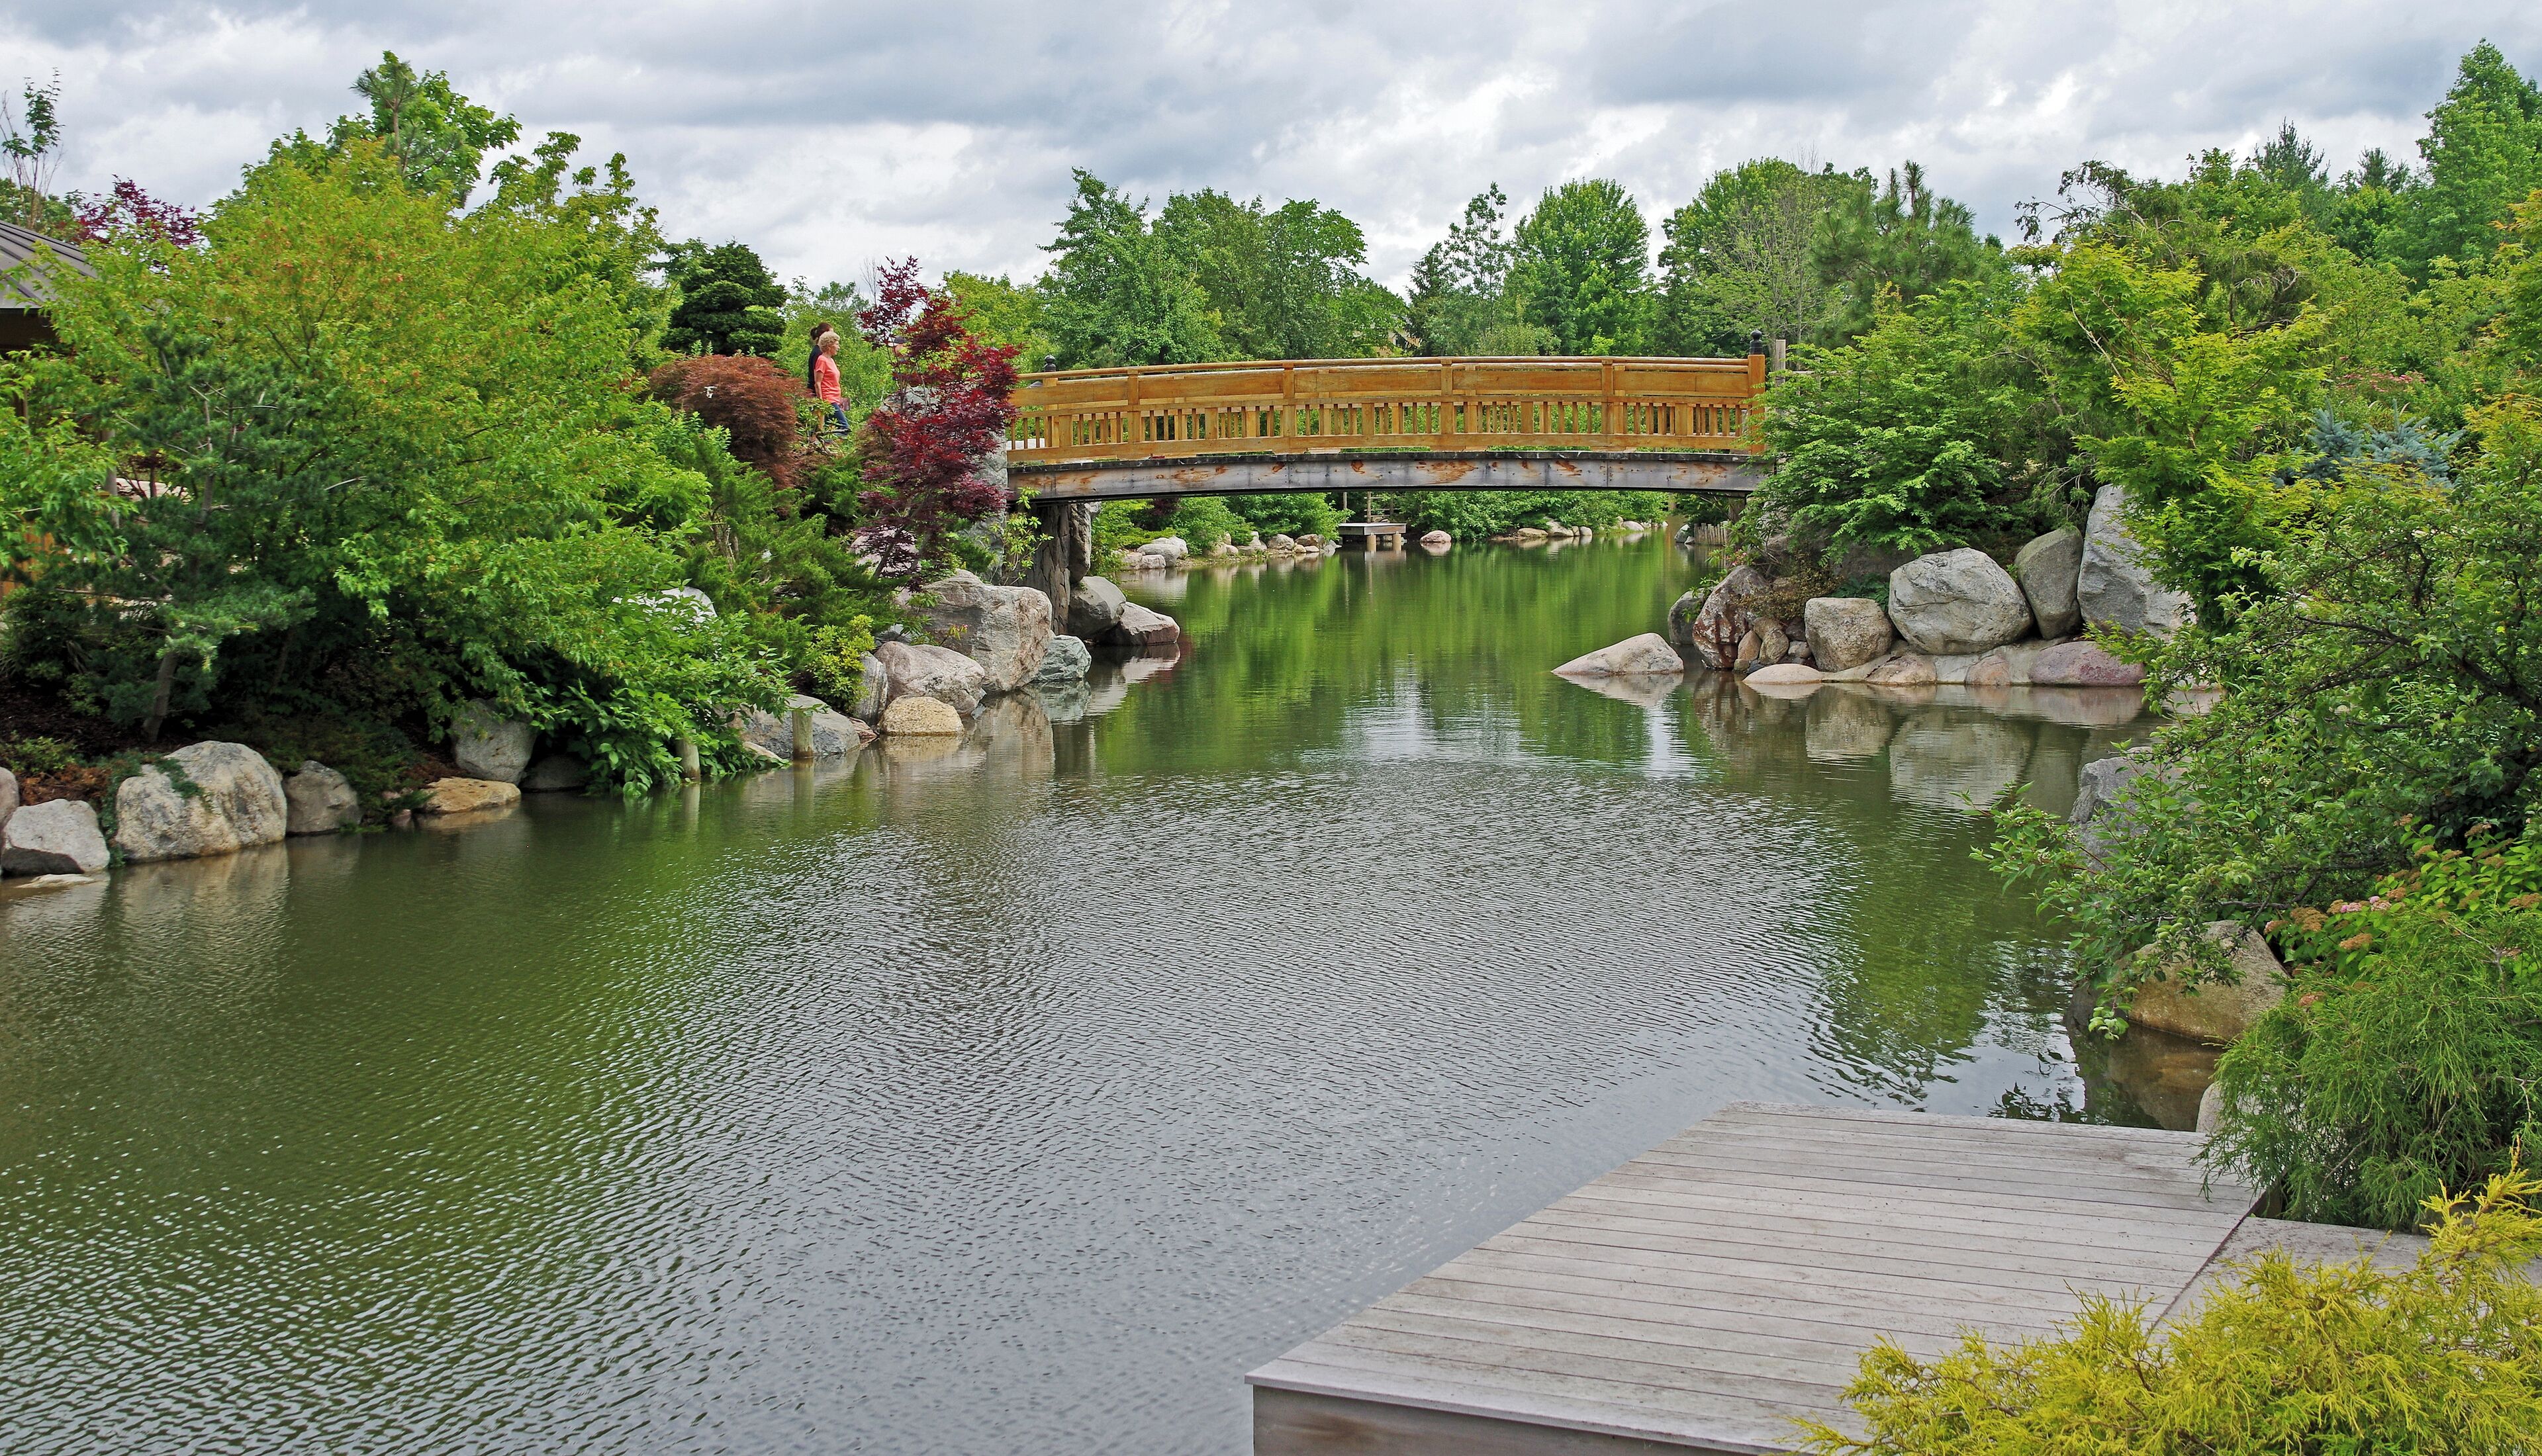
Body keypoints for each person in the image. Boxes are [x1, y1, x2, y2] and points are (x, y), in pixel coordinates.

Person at [813, 331, 849, 433]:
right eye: (837, 344)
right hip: (828, 401)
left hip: (835, 399)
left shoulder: (831, 361)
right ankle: (827, 445)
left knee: (830, 429)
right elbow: (818, 383)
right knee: (844, 428)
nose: (839, 347)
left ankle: (827, 446)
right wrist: (822, 403)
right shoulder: (822, 360)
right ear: (829, 345)